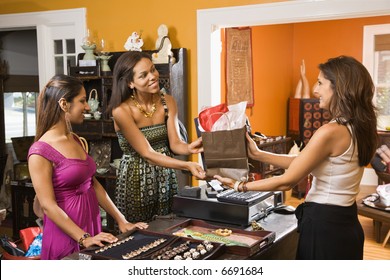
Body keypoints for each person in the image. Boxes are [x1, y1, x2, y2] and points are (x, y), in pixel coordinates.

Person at [215, 55, 378, 260]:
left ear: (340, 88)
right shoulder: (359, 127)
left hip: (324, 227)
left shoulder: (331, 131)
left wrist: (239, 186)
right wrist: (259, 154)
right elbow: (303, 162)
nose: (315, 90)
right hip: (347, 223)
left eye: (320, 83)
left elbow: (287, 180)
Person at [28, 74, 148, 260]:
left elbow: (92, 183)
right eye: (82, 101)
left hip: (90, 225)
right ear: (64, 104)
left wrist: (121, 220)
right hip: (66, 233)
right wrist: (83, 238)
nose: (86, 107)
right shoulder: (39, 151)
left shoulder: (75, 139)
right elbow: (48, 206)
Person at [108, 51, 206, 223]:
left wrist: (190, 147)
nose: (153, 77)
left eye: (153, 70)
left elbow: (175, 144)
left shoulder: (168, 102)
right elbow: (147, 153)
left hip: (165, 178)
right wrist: (186, 164)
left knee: (168, 227)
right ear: (130, 83)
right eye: (143, 75)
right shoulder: (121, 111)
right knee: (139, 235)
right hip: (135, 179)